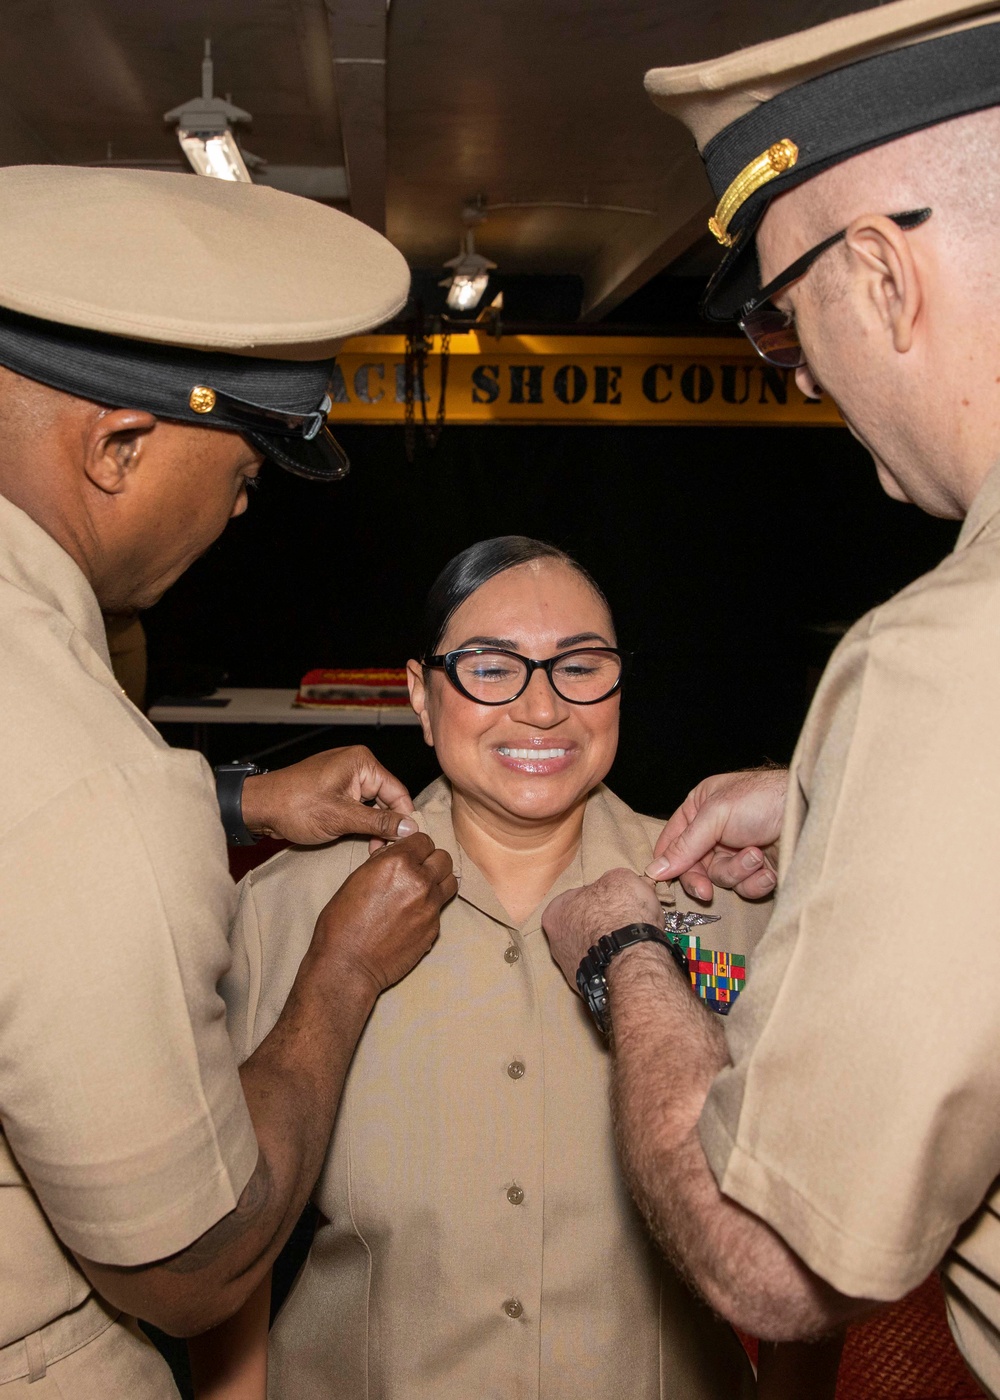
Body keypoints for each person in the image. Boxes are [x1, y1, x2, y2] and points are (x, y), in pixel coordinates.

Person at [540, 1, 1000, 1395]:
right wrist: (829, 815)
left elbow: (772, 1259)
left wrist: (627, 953)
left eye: (792, 331)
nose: (810, 387)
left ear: (881, 275)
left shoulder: (950, 653)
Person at [0, 164, 457, 1398]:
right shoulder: (87, 775)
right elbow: (195, 1263)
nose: (240, 512)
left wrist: (236, 799)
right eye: (244, 476)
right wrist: (342, 972)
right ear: (119, 443)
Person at [208, 535, 844, 1400]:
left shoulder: (735, 904)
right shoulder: (290, 910)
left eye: (580, 667)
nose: (543, 709)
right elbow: (232, 1243)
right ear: (420, 698)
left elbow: (816, 1236)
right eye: (491, 668)